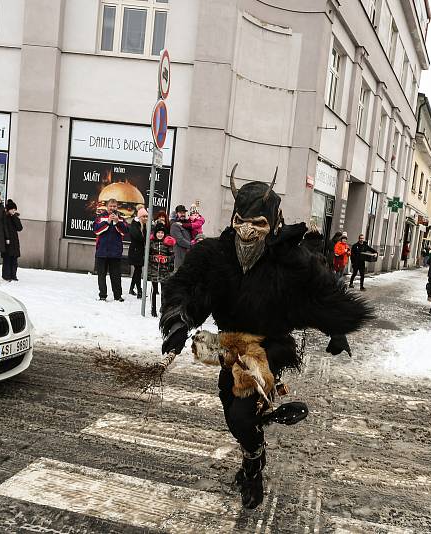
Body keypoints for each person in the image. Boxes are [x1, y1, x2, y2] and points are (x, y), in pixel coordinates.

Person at [159, 164, 372, 510]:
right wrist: (178, 321)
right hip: (229, 344)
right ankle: (255, 426)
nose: (246, 231)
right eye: (240, 221)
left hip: (269, 345)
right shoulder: (214, 254)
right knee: (230, 408)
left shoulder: (291, 259)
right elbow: (185, 287)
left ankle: (253, 465)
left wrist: (336, 327)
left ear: (273, 223)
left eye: (257, 224)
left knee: (240, 415)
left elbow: (319, 292)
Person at [94, 198, 128, 302]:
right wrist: (108, 222)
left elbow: (125, 232)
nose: (112, 208)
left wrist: (117, 222)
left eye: (114, 206)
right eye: (110, 206)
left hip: (115, 253)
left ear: (117, 207)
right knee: (101, 276)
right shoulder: (100, 218)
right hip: (102, 252)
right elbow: (96, 230)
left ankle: (118, 296)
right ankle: (102, 295)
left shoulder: (121, 219)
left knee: (116, 276)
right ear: (107, 207)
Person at [147, 222, 176, 317]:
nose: (160, 234)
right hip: (154, 271)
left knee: (164, 291)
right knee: (154, 291)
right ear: (155, 233)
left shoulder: (167, 244)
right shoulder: (151, 243)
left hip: (164, 271)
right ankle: (153, 309)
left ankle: (163, 309)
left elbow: (172, 256)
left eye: (162, 233)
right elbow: (147, 256)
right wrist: (154, 258)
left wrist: (166, 259)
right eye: (158, 232)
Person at [128, 208, 149, 298]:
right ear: (140, 217)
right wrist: (146, 238)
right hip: (135, 251)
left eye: (146, 216)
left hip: (140, 251)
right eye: (144, 216)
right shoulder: (134, 225)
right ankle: (139, 291)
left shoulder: (144, 226)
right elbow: (138, 237)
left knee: (137, 270)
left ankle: (132, 288)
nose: (145, 218)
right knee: (138, 270)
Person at [2, 199, 23, 282]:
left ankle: (13, 275)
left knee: (14, 259)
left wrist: (14, 216)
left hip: (14, 241)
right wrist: (6, 238)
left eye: (15, 209)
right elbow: (4, 228)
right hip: (7, 241)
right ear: (8, 209)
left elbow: (20, 228)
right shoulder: (5, 217)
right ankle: (6, 275)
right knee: (7, 259)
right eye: (12, 209)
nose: (13, 211)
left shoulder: (15, 217)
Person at [170, 205, 192, 270]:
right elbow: (180, 240)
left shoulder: (186, 225)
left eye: (184, 212)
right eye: (180, 213)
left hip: (186, 257)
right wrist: (193, 245)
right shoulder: (175, 225)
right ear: (176, 214)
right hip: (179, 257)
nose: (183, 214)